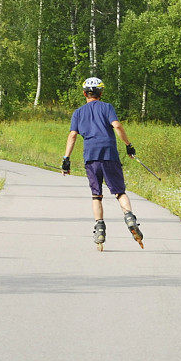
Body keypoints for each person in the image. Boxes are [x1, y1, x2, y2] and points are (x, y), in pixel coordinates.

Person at [61, 77, 143, 250]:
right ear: (101, 93)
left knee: (96, 195)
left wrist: (66, 160)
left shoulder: (78, 112)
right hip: (109, 155)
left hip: (91, 157)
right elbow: (117, 126)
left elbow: (72, 136)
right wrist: (129, 145)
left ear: (84, 93)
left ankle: (99, 230)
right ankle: (129, 218)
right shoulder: (107, 107)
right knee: (120, 192)